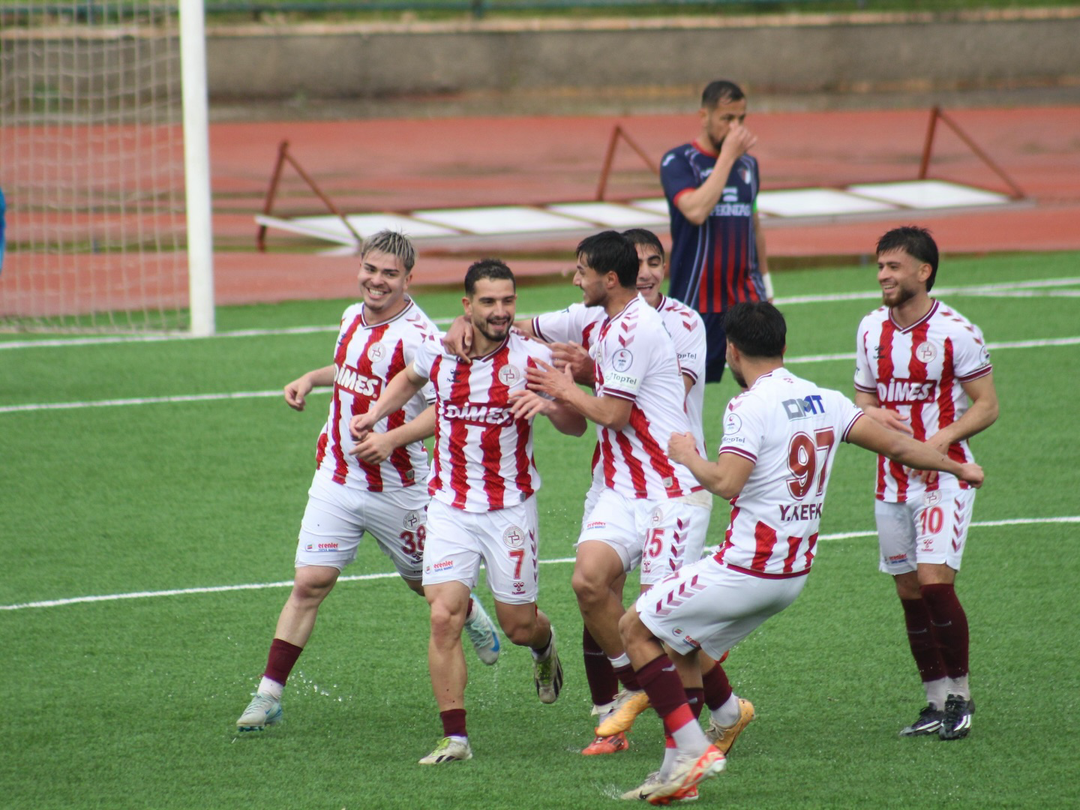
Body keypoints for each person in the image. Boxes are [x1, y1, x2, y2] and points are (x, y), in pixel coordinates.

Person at [616, 301, 986, 804]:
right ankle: (676, 776)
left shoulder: (747, 406)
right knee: (684, 645)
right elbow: (898, 448)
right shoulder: (825, 399)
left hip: (747, 567)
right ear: (783, 347)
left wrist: (688, 456)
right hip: (791, 575)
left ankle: (691, 749)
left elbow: (726, 482)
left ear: (731, 351)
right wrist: (956, 468)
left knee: (633, 628)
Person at [234, 231, 502, 733]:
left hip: (399, 488)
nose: (377, 281)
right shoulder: (350, 316)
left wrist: (393, 439)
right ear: (360, 267)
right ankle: (268, 694)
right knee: (310, 583)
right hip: (336, 474)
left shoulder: (422, 336)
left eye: (389, 274)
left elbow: (453, 410)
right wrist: (311, 379)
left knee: (426, 585)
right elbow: (352, 369)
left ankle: (469, 615)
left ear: (408, 279)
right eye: (370, 270)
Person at [350, 258, 586, 765]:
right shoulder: (439, 347)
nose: (500, 311)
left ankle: (544, 649)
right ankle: (455, 737)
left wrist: (552, 404)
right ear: (467, 306)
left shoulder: (530, 358)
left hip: (509, 510)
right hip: (450, 507)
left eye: (508, 301)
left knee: (519, 626)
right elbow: (411, 378)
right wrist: (376, 414)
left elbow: (576, 427)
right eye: (488, 302)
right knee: (443, 616)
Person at [525, 231, 713, 760]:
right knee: (588, 582)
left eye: (580, 270)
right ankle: (634, 689)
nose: (574, 277)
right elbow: (528, 327)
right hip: (623, 488)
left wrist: (564, 390)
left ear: (608, 279)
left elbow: (614, 414)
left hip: (670, 492)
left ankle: (690, 742)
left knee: (664, 626)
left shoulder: (632, 327)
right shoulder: (609, 323)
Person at [854, 226, 998, 740]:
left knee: (937, 585)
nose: (883, 276)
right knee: (909, 593)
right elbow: (864, 399)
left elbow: (987, 405)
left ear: (923, 271)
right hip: (889, 481)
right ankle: (934, 700)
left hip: (944, 478)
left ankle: (960, 695)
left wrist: (937, 443)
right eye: (880, 267)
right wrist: (875, 417)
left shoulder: (957, 331)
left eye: (893, 267)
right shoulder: (870, 329)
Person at [661, 79, 773, 383]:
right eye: (727, 119)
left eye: (741, 119)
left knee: (764, 380)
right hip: (696, 297)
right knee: (685, 387)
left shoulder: (749, 165)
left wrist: (767, 286)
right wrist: (727, 157)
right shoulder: (679, 161)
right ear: (704, 116)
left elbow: (755, 226)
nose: (736, 128)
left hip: (746, 295)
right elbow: (695, 211)